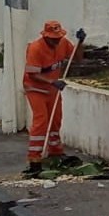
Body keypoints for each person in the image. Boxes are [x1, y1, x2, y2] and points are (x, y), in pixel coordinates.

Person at [22, 20, 83, 176]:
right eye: (53, 39)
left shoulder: (63, 43)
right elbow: (33, 74)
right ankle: (34, 159)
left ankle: (56, 152)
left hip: (52, 89)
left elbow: (77, 58)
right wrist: (52, 81)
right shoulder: (35, 48)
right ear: (46, 36)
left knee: (56, 120)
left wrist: (80, 42)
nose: (56, 41)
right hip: (36, 88)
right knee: (41, 121)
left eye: (58, 38)